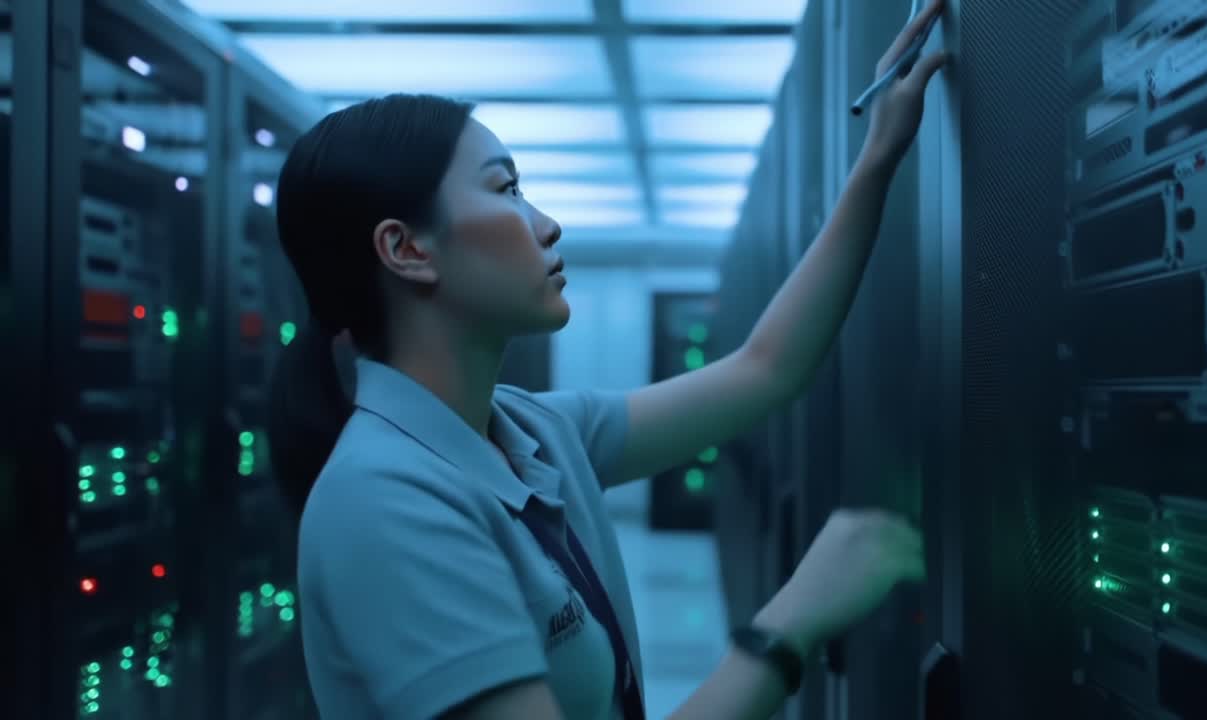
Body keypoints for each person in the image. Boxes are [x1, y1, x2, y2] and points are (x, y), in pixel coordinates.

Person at [266, 2, 949, 719]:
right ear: (406, 250)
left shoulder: (534, 432)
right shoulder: (384, 501)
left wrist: (878, 159)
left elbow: (765, 368)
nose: (547, 223)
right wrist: (794, 622)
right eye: (506, 189)